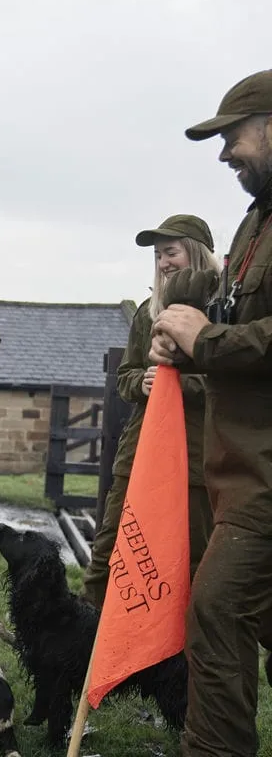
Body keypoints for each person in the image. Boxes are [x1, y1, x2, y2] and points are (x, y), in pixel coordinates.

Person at [150, 69, 272, 757]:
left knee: (216, 610)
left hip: (265, 479)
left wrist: (207, 339)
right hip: (241, 472)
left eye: (233, 135)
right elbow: (234, 325)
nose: (224, 153)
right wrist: (189, 342)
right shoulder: (255, 220)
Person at [81, 215, 219, 609]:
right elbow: (125, 375)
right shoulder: (147, 311)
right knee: (110, 550)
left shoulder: (222, 310)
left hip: (195, 458)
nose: (163, 263)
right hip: (140, 452)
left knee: (192, 558)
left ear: (195, 254)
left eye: (170, 252)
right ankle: (86, 648)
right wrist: (141, 381)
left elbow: (227, 383)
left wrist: (177, 384)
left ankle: (182, 658)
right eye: (158, 256)